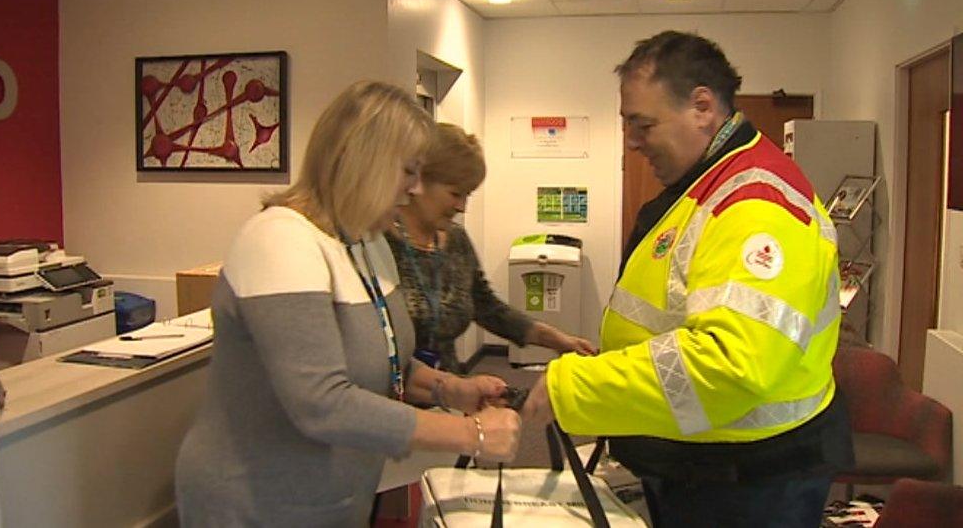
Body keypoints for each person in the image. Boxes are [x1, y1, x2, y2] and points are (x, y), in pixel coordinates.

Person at [523, 31, 853, 527]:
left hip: (748, 484)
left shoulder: (756, 206)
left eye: (642, 124)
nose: (631, 142)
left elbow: (731, 366)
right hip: (710, 466)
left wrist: (573, 387)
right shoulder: (707, 186)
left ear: (702, 106)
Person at [174, 81, 521, 527]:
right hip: (256, 501)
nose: (416, 189)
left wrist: (448, 389)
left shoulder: (365, 241)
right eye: (408, 170)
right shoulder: (278, 239)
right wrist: (467, 434)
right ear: (365, 163)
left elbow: (381, 359)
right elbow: (321, 402)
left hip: (333, 497)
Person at [386, 122, 596, 373]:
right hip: (391, 400)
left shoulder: (456, 241)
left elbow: (488, 307)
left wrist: (558, 340)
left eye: (468, 195)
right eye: (455, 194)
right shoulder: (378, 244)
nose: (462, 207)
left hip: (446, 391)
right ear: (418, 181)